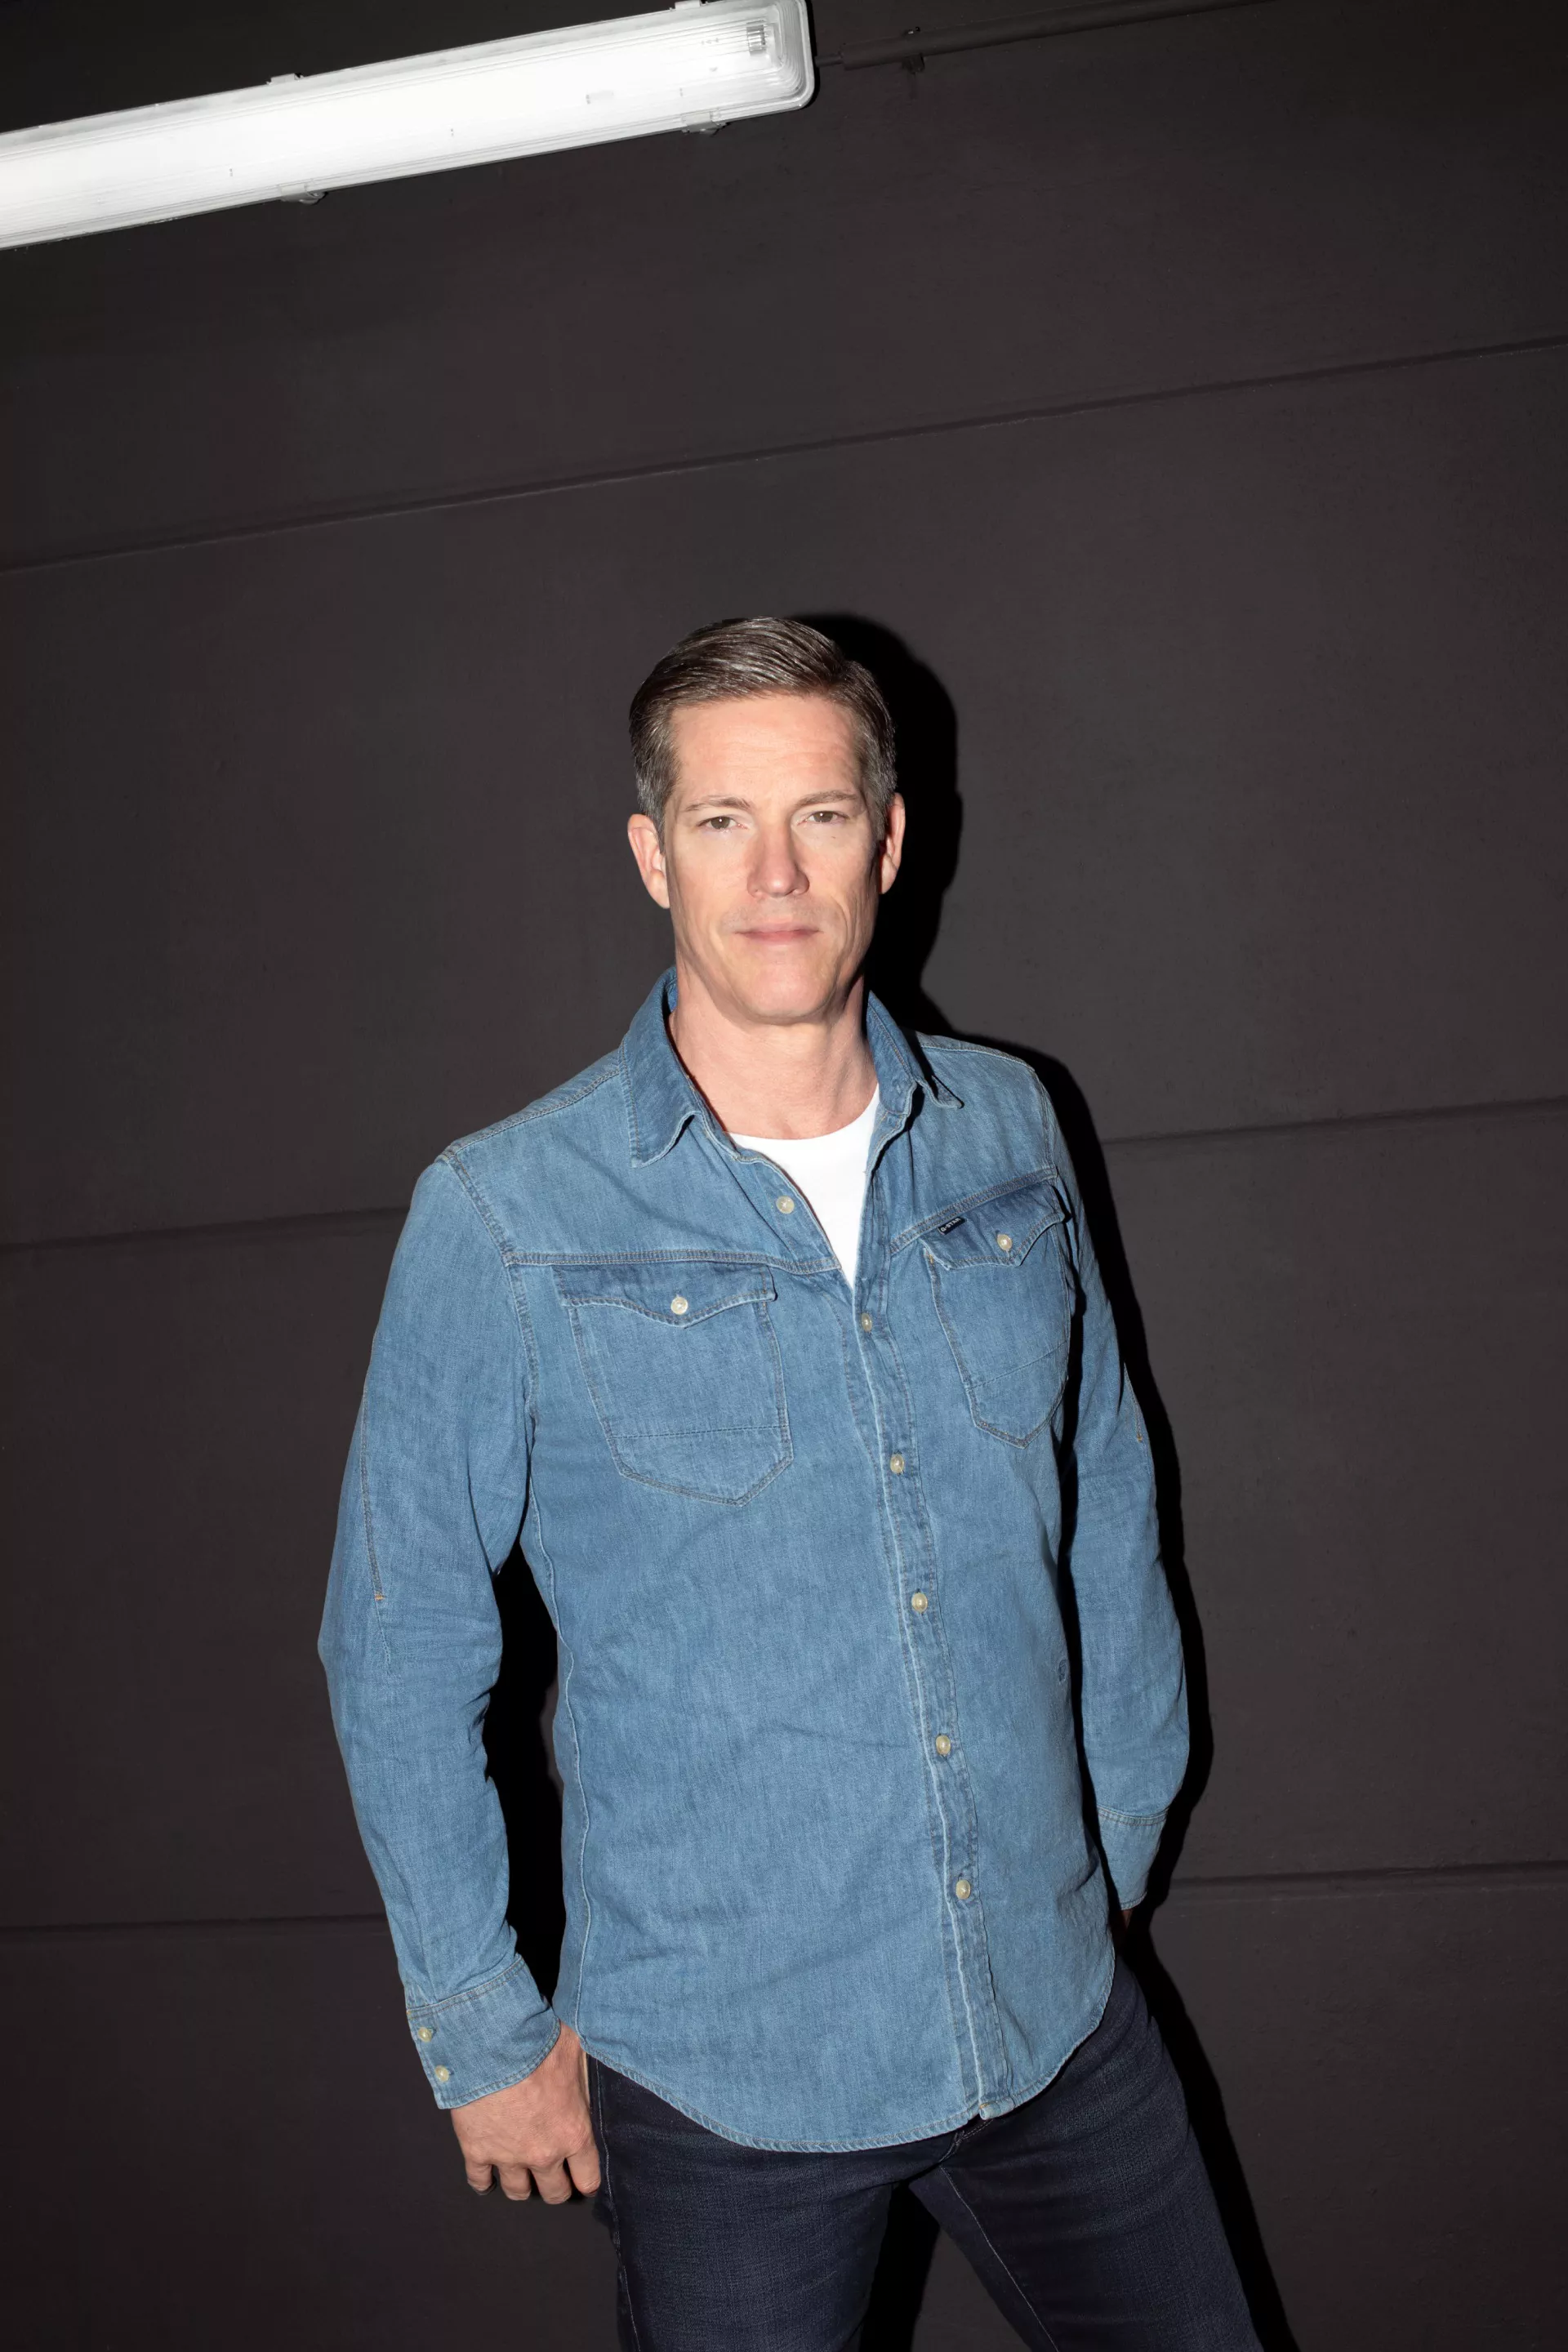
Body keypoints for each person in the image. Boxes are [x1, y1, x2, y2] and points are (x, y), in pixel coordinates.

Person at [319, 617, 1259, 2350]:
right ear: (649, 853)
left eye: (821, 816)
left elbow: (1110, 1497)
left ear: (887, 842)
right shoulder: (508, 1214)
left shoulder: (1008, 1129)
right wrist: (483, 2031)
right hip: (726, 2083)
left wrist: (1116, 1838)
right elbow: (396, 1646)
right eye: (721, 822)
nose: (775, 874)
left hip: (1050, 2015)